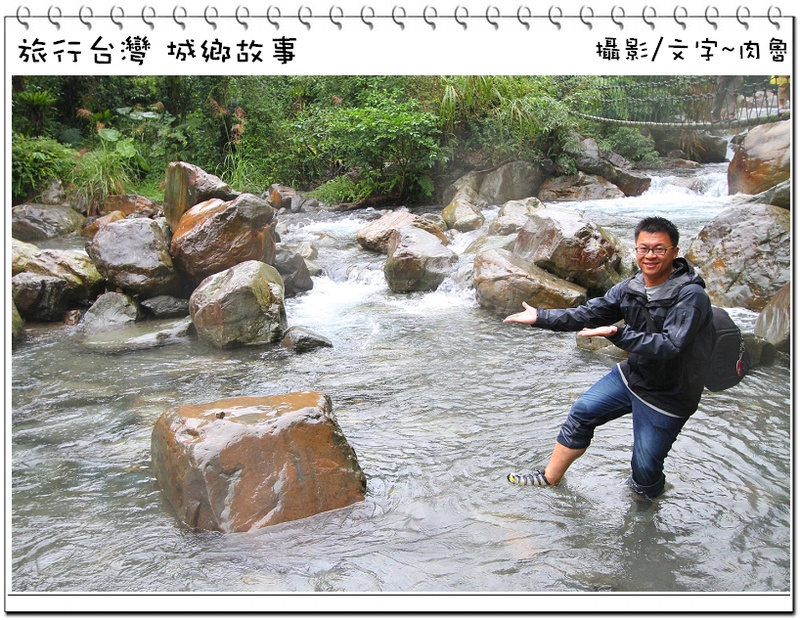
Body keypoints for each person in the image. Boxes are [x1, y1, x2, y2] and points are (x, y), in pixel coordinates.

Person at [503, 217, 713, 499]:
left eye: (659, 249)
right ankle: (549, 478)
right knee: (582, 413)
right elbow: (588, 314)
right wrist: (541, 316)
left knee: (645, 470)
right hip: (634, 375)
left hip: (670, 393)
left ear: (674, 252)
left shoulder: (691, 296)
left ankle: (646, 510)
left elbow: (671, 345)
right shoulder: (631, 287)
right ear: (636, 250)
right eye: (643, 248)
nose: (650, 255)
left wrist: (619, 333)